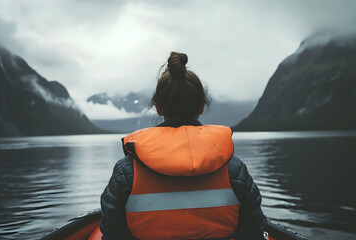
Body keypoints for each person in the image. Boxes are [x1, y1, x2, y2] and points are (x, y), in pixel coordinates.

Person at [100, 52, 266, 240]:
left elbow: (112, 233)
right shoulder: (234, 170)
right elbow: (253, 232)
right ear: (202, 106)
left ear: (158, 107)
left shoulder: (127, 172)